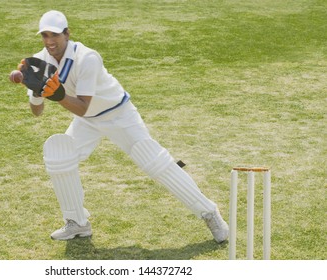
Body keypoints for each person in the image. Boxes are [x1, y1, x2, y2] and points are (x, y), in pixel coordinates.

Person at [15, 10, 229, 243]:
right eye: (44, 35)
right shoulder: (39, 61)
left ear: (67, 33)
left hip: (118, 114)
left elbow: (83, 106)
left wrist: (58, 95)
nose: (49, 41)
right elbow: (37, 112)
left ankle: (209, 213)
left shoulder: (87, 58)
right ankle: (77, 223)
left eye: (54, 35)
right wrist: (35, 92)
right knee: (59, 157)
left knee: (155, 162)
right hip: (87, 122)